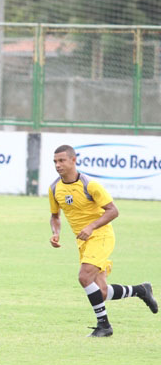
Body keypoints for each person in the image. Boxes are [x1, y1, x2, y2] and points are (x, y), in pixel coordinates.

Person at [49, 144, 157, 337]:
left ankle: (104, 326)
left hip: (101, 236)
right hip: (83, 241)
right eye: (55, 161)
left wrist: (91, 226)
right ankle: (140, 290)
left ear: (73, 160)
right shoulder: (54, 188)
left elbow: (113, 211)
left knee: (84, 277)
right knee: (102, 292)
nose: (58, 165)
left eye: (62, 160)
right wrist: (55, 232)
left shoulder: (89, 185)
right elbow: (55, 216)